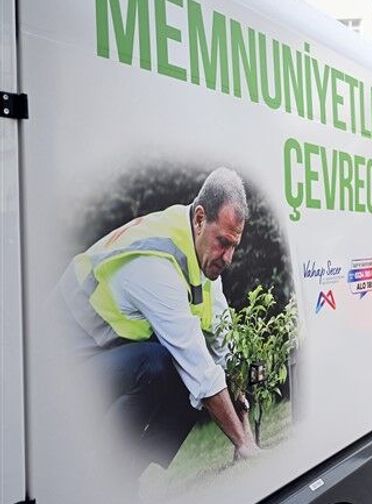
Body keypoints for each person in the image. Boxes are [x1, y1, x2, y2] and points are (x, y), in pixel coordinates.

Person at [58, 167, 258, 478]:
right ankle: (106, 476)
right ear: (200, 219)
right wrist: (244, 444)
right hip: (60, 363)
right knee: (161, 364)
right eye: (223, 242)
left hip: (105, 350)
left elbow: (224, 347)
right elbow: (198, 368)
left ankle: (130, 477)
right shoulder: (154, 264)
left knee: (179, 371)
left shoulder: (200, 257)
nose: (228, 257)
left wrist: (246, 429)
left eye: (234, 246)